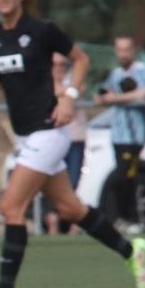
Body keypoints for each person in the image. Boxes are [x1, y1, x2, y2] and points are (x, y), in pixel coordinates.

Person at [0, 0, 145, 288]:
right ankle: (132, 251)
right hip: (27, 136)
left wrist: (69, 96)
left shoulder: (42, 31)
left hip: (50, 131)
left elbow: (81, 60)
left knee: (10, 206)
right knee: (69, 208)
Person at [96, 35, 145, 228]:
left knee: (126, 176)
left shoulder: (141, 70)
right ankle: (122, 218)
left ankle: (133, 218)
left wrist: (114, 98)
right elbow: (103, 94)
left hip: (134, 136)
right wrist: (103, 96)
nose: (123, 54)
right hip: (118, 135)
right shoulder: (115, 73)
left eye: (126, 49)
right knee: (122, 178)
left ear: (133, 50)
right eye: (119, 50)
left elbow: (142, 92)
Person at [45, 52, 87, 235]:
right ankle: (53, 221)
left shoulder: (73, 81)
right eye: (55, 64)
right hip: (52, 140)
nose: (59, 68)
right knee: (50, 181)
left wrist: (67, 91)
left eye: (63, 64)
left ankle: (76, 222)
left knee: (73, 180)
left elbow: (78, 90)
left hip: (75, 138)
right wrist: (68, 91)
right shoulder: (43, 81)